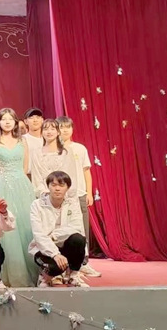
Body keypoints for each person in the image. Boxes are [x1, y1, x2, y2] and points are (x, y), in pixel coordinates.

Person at [0, 107, 38, 287]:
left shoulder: (22, 141)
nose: (7, 122)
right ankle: (7, 274)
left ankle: (34, 269)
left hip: (22, 185)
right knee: (6, 227)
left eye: (10, 119)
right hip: (1, 185)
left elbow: (25, 167)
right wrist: (0, 179)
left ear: (15, 122)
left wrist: (17, 179)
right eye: (3, 119)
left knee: (25, 223)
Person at [56, 116, 101, 278]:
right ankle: (65, 265)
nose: (65, 130)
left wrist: (88, 192)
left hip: (79, 193)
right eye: (61, 127)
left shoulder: (80, 148)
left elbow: (86, 171)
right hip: (60, 196)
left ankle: (84, 263)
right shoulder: (54, 149)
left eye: (68, 127)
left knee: (82, 229)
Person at [29, 171, 89, 288]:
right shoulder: (37, 205)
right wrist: (55, 254)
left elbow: (76, 226)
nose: (57, 189)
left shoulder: (72, 203)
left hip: (64, 245)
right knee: (55, 266)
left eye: (61, 185)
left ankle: (73, 276)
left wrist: (54, 235)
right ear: (48, 186)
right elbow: (39, 234)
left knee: (78, 239)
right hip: (43, 248)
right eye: (54, 185)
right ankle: (46, 276)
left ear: (67, 188)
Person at [30, 119, 76, 198]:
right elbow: (36, 178)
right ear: (42, 132)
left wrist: (64, 193)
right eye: (45, 129)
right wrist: (46, 194)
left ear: (58, 132)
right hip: (45, 195)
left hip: (65, 195)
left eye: (52, 129)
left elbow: (71, 176)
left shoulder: (66, 152)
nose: (49, 132)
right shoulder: (36, 153)